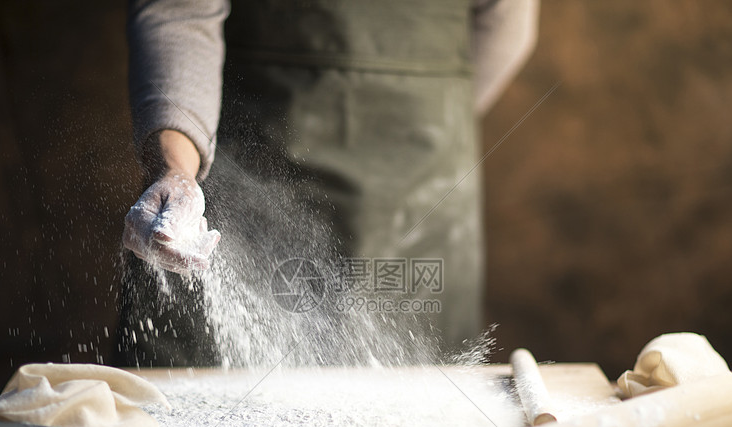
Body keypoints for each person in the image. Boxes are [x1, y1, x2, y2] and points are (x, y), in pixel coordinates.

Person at [117, 0, 539, 367]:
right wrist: (177, 168)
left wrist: (432, 124)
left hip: (421, 192)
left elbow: (507, 26)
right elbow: (180, 13)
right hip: (239, 171)